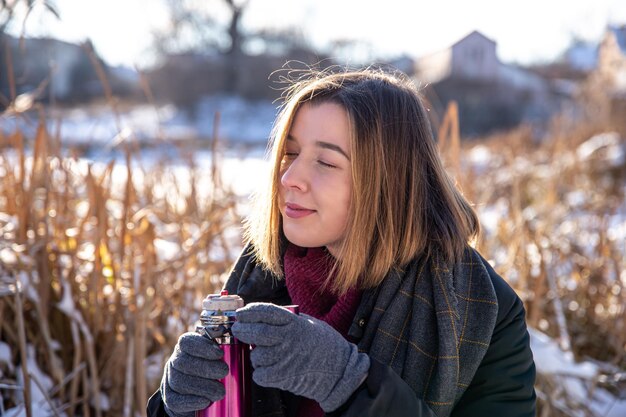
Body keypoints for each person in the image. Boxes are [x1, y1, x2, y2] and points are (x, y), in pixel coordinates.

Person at [147, 68, 536, 417]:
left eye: (327, 162)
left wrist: (348, 383)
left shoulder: (478, 307)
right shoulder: (258, 275)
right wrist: (173, 405)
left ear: (388, 183)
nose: (290, 178)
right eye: (291, 153)